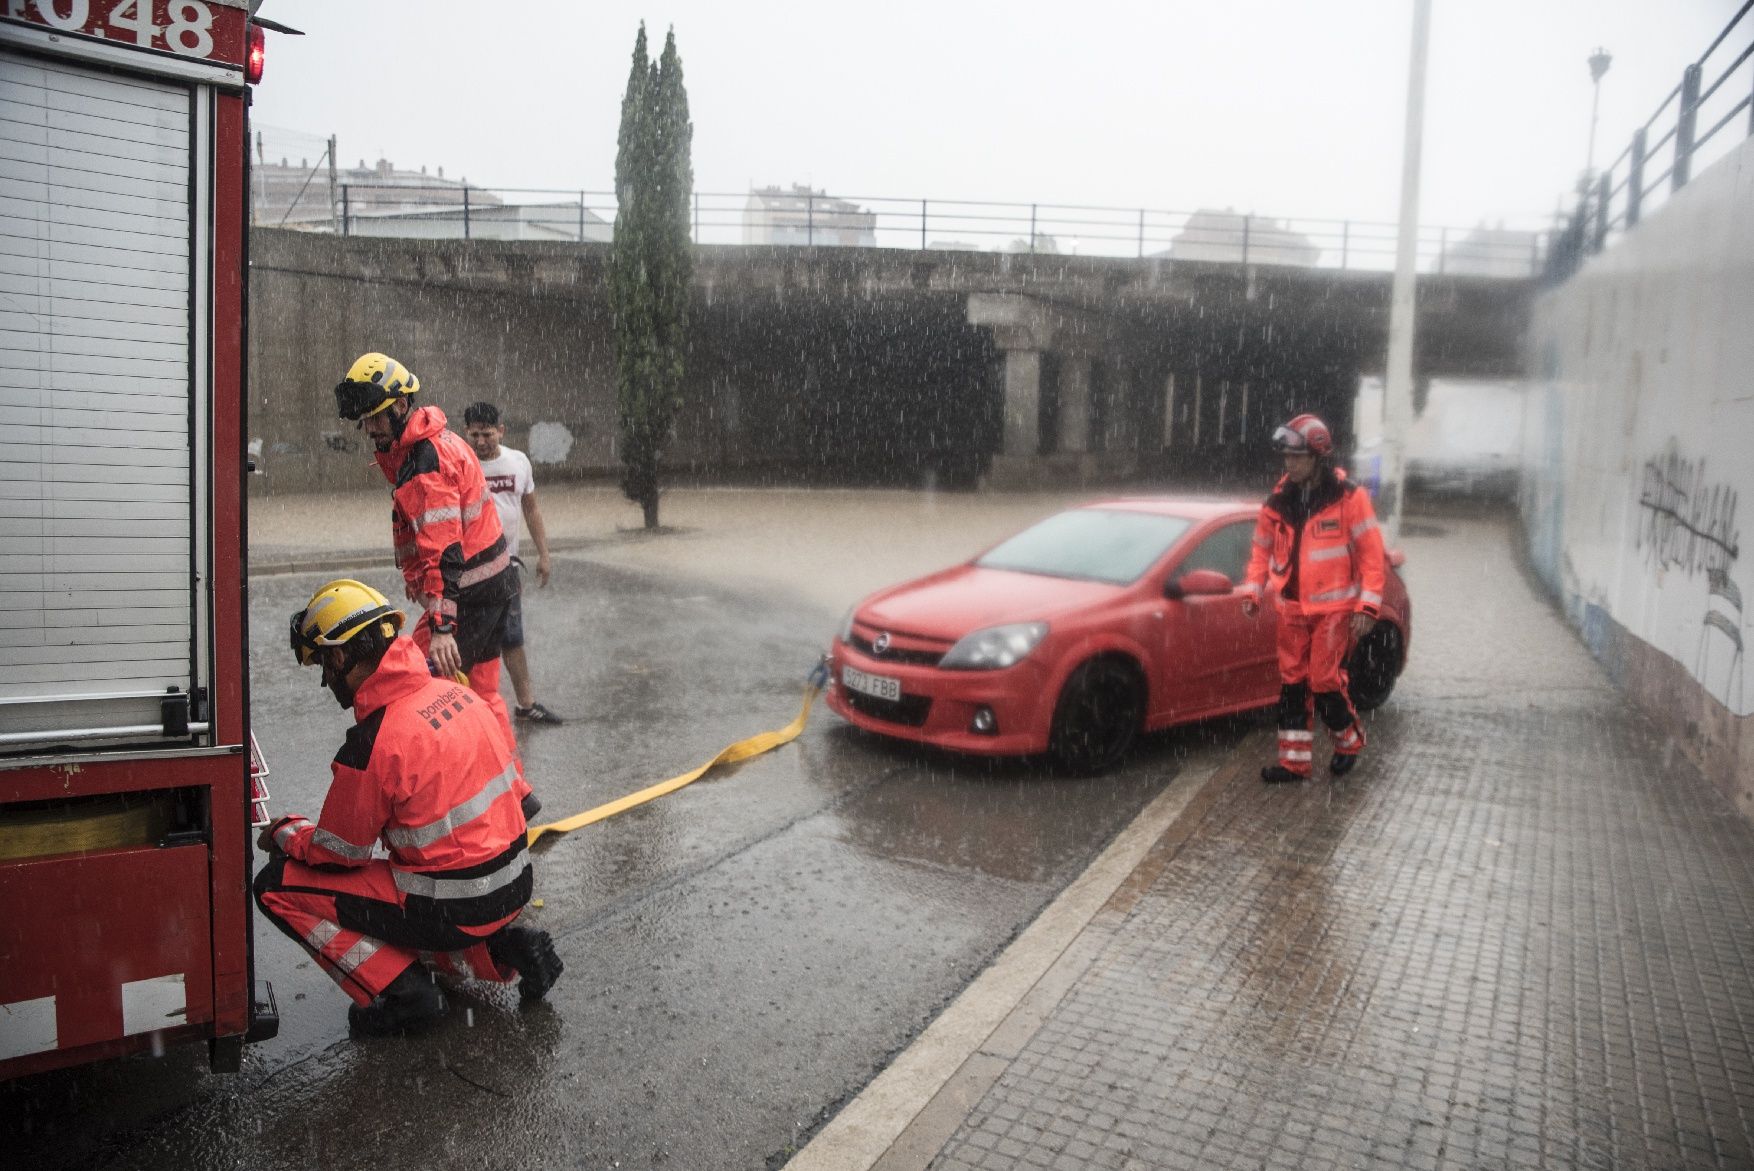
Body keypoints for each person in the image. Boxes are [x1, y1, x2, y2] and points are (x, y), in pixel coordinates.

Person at [254, 579, 563, 1035]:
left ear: (340, 657)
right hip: (514, 884)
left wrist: (285, 831)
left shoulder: (374, 742)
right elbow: (520, 796)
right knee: (420, 897)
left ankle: (407, 995)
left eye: (323, 664)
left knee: (276, 885)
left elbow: (339, 856)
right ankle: (506, 949)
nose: (326, 679)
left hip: (459, 906)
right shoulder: (463, 696)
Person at [333, 353, 528, 760]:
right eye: (364, 421)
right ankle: (514, 794)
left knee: (412, 684)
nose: (369, 429)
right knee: (485, 693)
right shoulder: (436, 440)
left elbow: (444, 550)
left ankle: (433, 783)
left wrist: (442, 627)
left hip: (468, 593)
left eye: (375, 418)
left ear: (401, 406)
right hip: (496, 585)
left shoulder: (425, 463)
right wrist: (415, 575)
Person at [1240, 413, 1386, 783]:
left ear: (1318, 457)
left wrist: (1367, 606)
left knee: (1323, 681)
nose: (1289, 464)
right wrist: (1253, 590)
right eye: (1286, 457)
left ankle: (1348, 741)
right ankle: (1294, 763)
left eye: (1297, 457)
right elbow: (1260, 550)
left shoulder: (1350, 499)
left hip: (1334, 610)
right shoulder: (1278, 500)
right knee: (1292, 685)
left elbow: (1372, 557)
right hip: (1291, 607)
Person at [462, 401, 564, 725]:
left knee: (512, 637)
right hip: (468, 572)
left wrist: (544, 554)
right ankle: (466, 712)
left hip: (506, 569)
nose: (480, 442)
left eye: (487, 434)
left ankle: (525, 704)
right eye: (475, 434)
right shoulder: (461, 465)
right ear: (466, 433)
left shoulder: (518, 462)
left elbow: (531, 509)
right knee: (466, 643)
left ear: (501, 431)